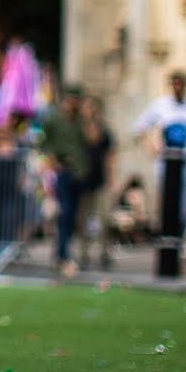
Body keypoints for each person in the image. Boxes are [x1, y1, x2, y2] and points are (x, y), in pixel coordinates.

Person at [132, 69, 186, 260]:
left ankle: (180, 241)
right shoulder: (160, 106)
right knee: (167, 203)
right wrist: (151, 146)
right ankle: (168, 243)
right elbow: (139, 127)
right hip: (166, 162)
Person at [40, 85, 90, 277]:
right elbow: (42, 141)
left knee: (74, 216)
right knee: (65, 212)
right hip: (62, 172)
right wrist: (53, 162)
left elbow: (92, 140)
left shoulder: (80, 120)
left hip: (79, 172)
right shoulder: (53, 118)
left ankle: (63, 251)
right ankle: (62, 253)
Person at [78, 95, 116, 268]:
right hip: (83, 180)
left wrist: (111, 178)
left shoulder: (105, 131)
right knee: (83, 219)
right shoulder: (79, 130)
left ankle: (104, 252)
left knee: (104, 218)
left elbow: (110, 156)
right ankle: (83, 253)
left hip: (100, 179)